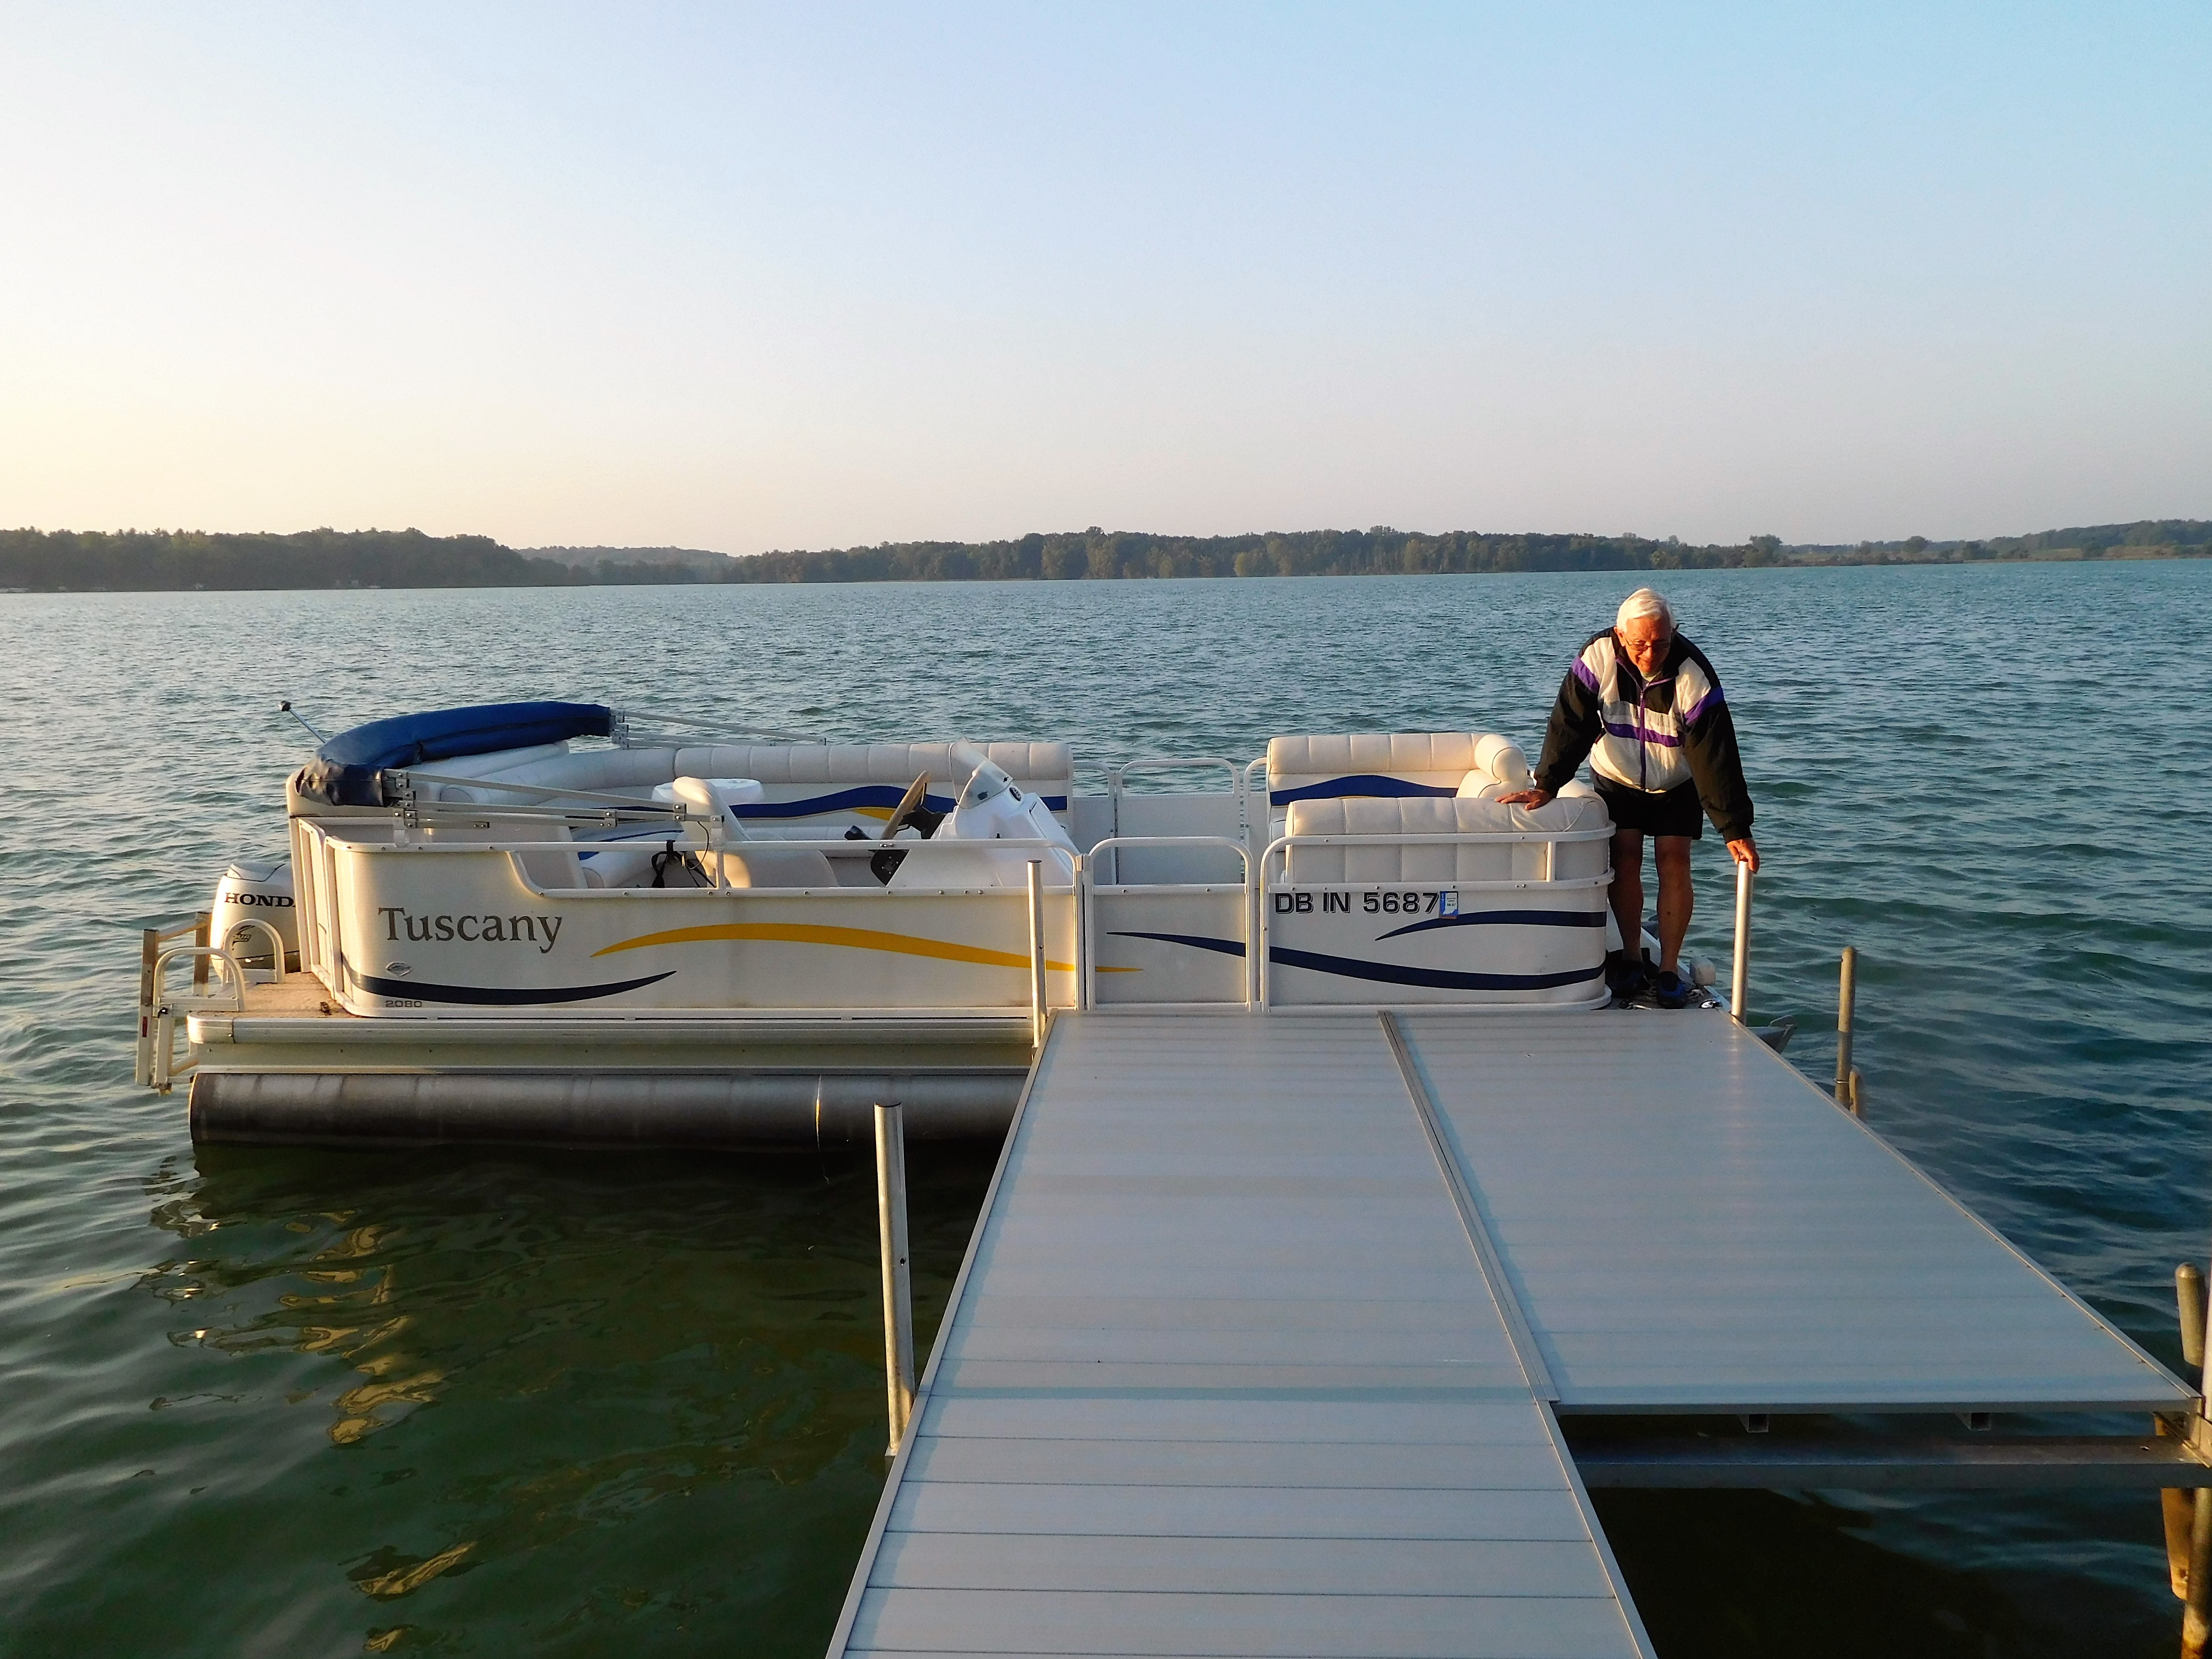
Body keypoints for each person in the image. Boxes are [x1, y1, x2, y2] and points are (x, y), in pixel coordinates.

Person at [1500, 588, 1758, 1008]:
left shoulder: (1692, 673)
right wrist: (1547, 783)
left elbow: (1715, 755)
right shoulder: (1598, 656)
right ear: (1620, 635)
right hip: (1617, 773)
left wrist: (1734, 828)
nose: (1650, 654)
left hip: (1676, 779)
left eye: (1661, 643)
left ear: (1674, 634)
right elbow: (1570, 722)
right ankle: (1632, 956)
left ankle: (1669, 969)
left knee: (1674, 859)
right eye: (1639, 644)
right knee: (1624, 856)